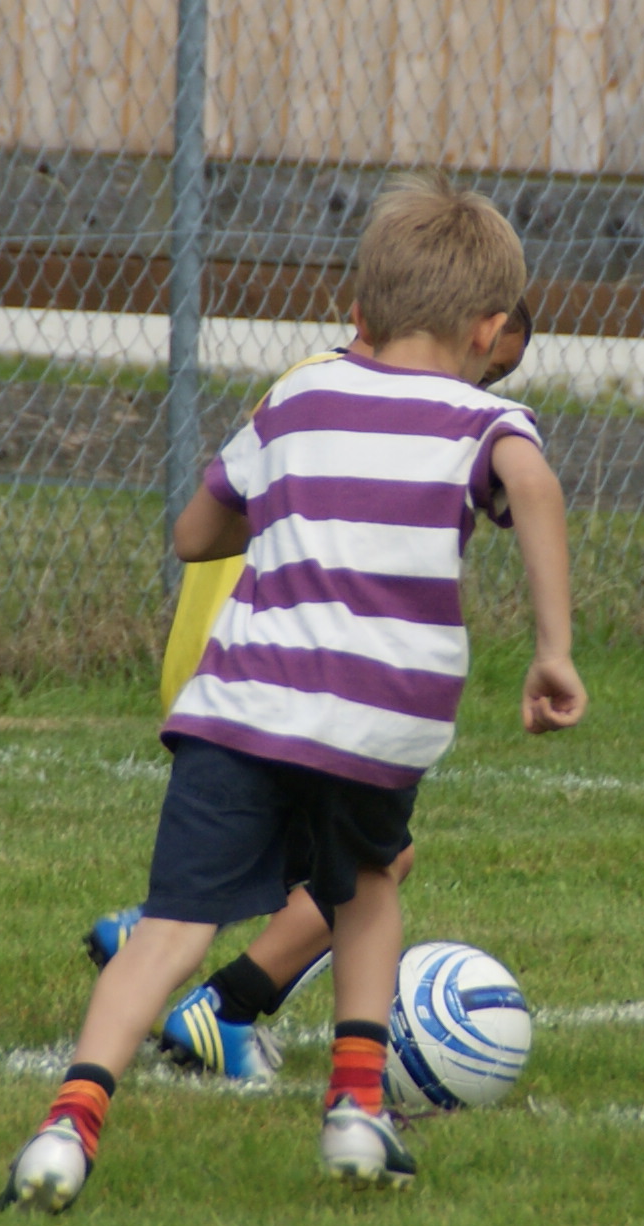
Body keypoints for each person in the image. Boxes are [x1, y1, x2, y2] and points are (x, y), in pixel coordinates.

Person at [0, 177, 584, 1211]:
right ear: (491, 330)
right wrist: (553, 650)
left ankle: (67, 1125)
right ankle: (355, 1109)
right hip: (377, 720)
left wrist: (281, 507)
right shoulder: (484, 417)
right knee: (365, 885)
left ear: (359, 309)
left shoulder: (297, 398)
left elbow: (195, 534)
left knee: (171, 927)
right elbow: (531, 485)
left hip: (244, 707)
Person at [83, 303, 539, 1083]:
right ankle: (226, 1009)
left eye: (493, 379)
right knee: (372, 865)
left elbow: (207, 526)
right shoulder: (364, 397)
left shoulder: (310, 386)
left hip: (226, 668)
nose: (478, 383)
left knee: (271, 852)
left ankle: (154, 936)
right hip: (277, 670)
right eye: (485, 364)